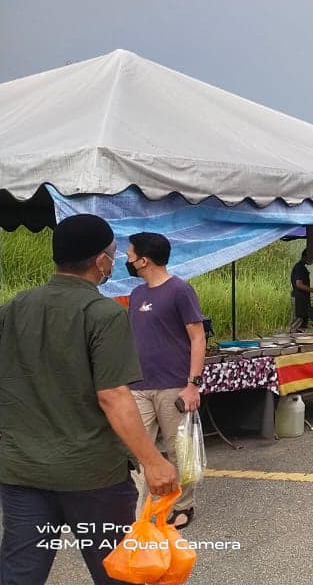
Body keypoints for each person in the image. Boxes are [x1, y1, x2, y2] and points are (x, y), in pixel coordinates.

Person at [0, 214, 179, 585]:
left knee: (19, 574)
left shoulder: (14, 308)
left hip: (22, 473)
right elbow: (114, 396)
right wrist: (153, 460)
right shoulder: (102, 313)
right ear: (101, 260)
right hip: (93, 476)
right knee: (118, 572)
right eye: (113, 255)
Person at [125, 232, 205, 530]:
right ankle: (133, 512)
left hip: (173, 385)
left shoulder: (180, 290)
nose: (127, 260)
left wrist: (193, 384)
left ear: (144, 259)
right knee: (136, 451)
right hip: (138, 386)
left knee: (179, 449)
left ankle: (184, 505)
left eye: (130, 255)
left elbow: (197, 337)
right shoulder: (136, 295)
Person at [289, 248, 313, 332]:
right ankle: (291, 339)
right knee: (298, 321)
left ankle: (299, 339)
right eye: (312, 257)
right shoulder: (299, 268)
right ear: (305, 256)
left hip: (303, 298)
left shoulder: (302, 267)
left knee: (302, 323)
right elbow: (299, 284)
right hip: (299, 298)